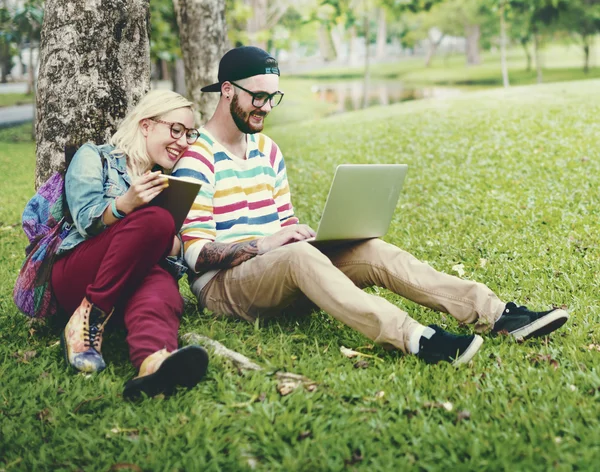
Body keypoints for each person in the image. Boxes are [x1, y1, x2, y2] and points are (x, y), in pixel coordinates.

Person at [173, 47, 568, 366]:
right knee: (296, 257)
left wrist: (307, 236)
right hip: (224, 289)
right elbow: (196, 257)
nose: (267, 107)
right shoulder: (197, 159)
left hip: (281, 272)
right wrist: (270, 244)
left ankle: (497, 314)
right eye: (257, 96)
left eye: (272, 97)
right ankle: (414, 337)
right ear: (227, 90)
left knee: (371, 250)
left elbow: (284, 222)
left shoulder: (268, 150)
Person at [50, 90, 208, 398]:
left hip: (128, 283)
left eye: (189, 134)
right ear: (146, 125)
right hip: (77, 274)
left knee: (160, 281)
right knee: (157, 221)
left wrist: (171, 244)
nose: (183, 141)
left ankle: (153, 361)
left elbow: (170, 254)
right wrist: (126, 203)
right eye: (176, 129)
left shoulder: (166, 180)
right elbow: (85, 220)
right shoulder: (94, 156)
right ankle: (87, 316)